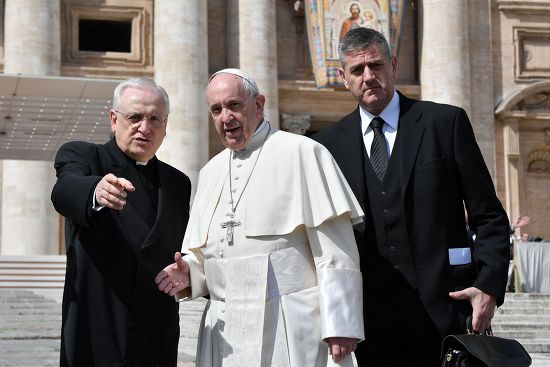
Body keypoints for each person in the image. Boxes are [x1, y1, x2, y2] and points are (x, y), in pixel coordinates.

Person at [313, 28, 511, 366]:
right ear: (344, 78)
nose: (369, 77)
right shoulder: (327, 146)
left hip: (446, 314)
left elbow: (488, 214)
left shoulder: (444, 124)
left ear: (393, 65)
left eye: (376, 65)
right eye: (357, 71)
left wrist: (489, 285)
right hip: (367, 324)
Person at [155, 68, 364, 367]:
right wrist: (189, 273)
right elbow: (210, 255)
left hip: (290, 319)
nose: (225, 117)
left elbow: (335, 250)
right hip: (224, 325)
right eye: (216, 109)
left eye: (234, 105)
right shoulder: (210, 172)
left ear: (259, 104)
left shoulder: (304, 152)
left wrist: (342, 324)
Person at [51, 77, 191, 366]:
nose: (145, 127)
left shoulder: (179, 183)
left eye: (155, 118)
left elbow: (185, 247)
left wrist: (188, 272)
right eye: (135, 117)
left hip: (156, 341)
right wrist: (95, 190)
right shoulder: (84, 157)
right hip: (97, 336)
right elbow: (64, 190)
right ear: (114, 119)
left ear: (165, 126)